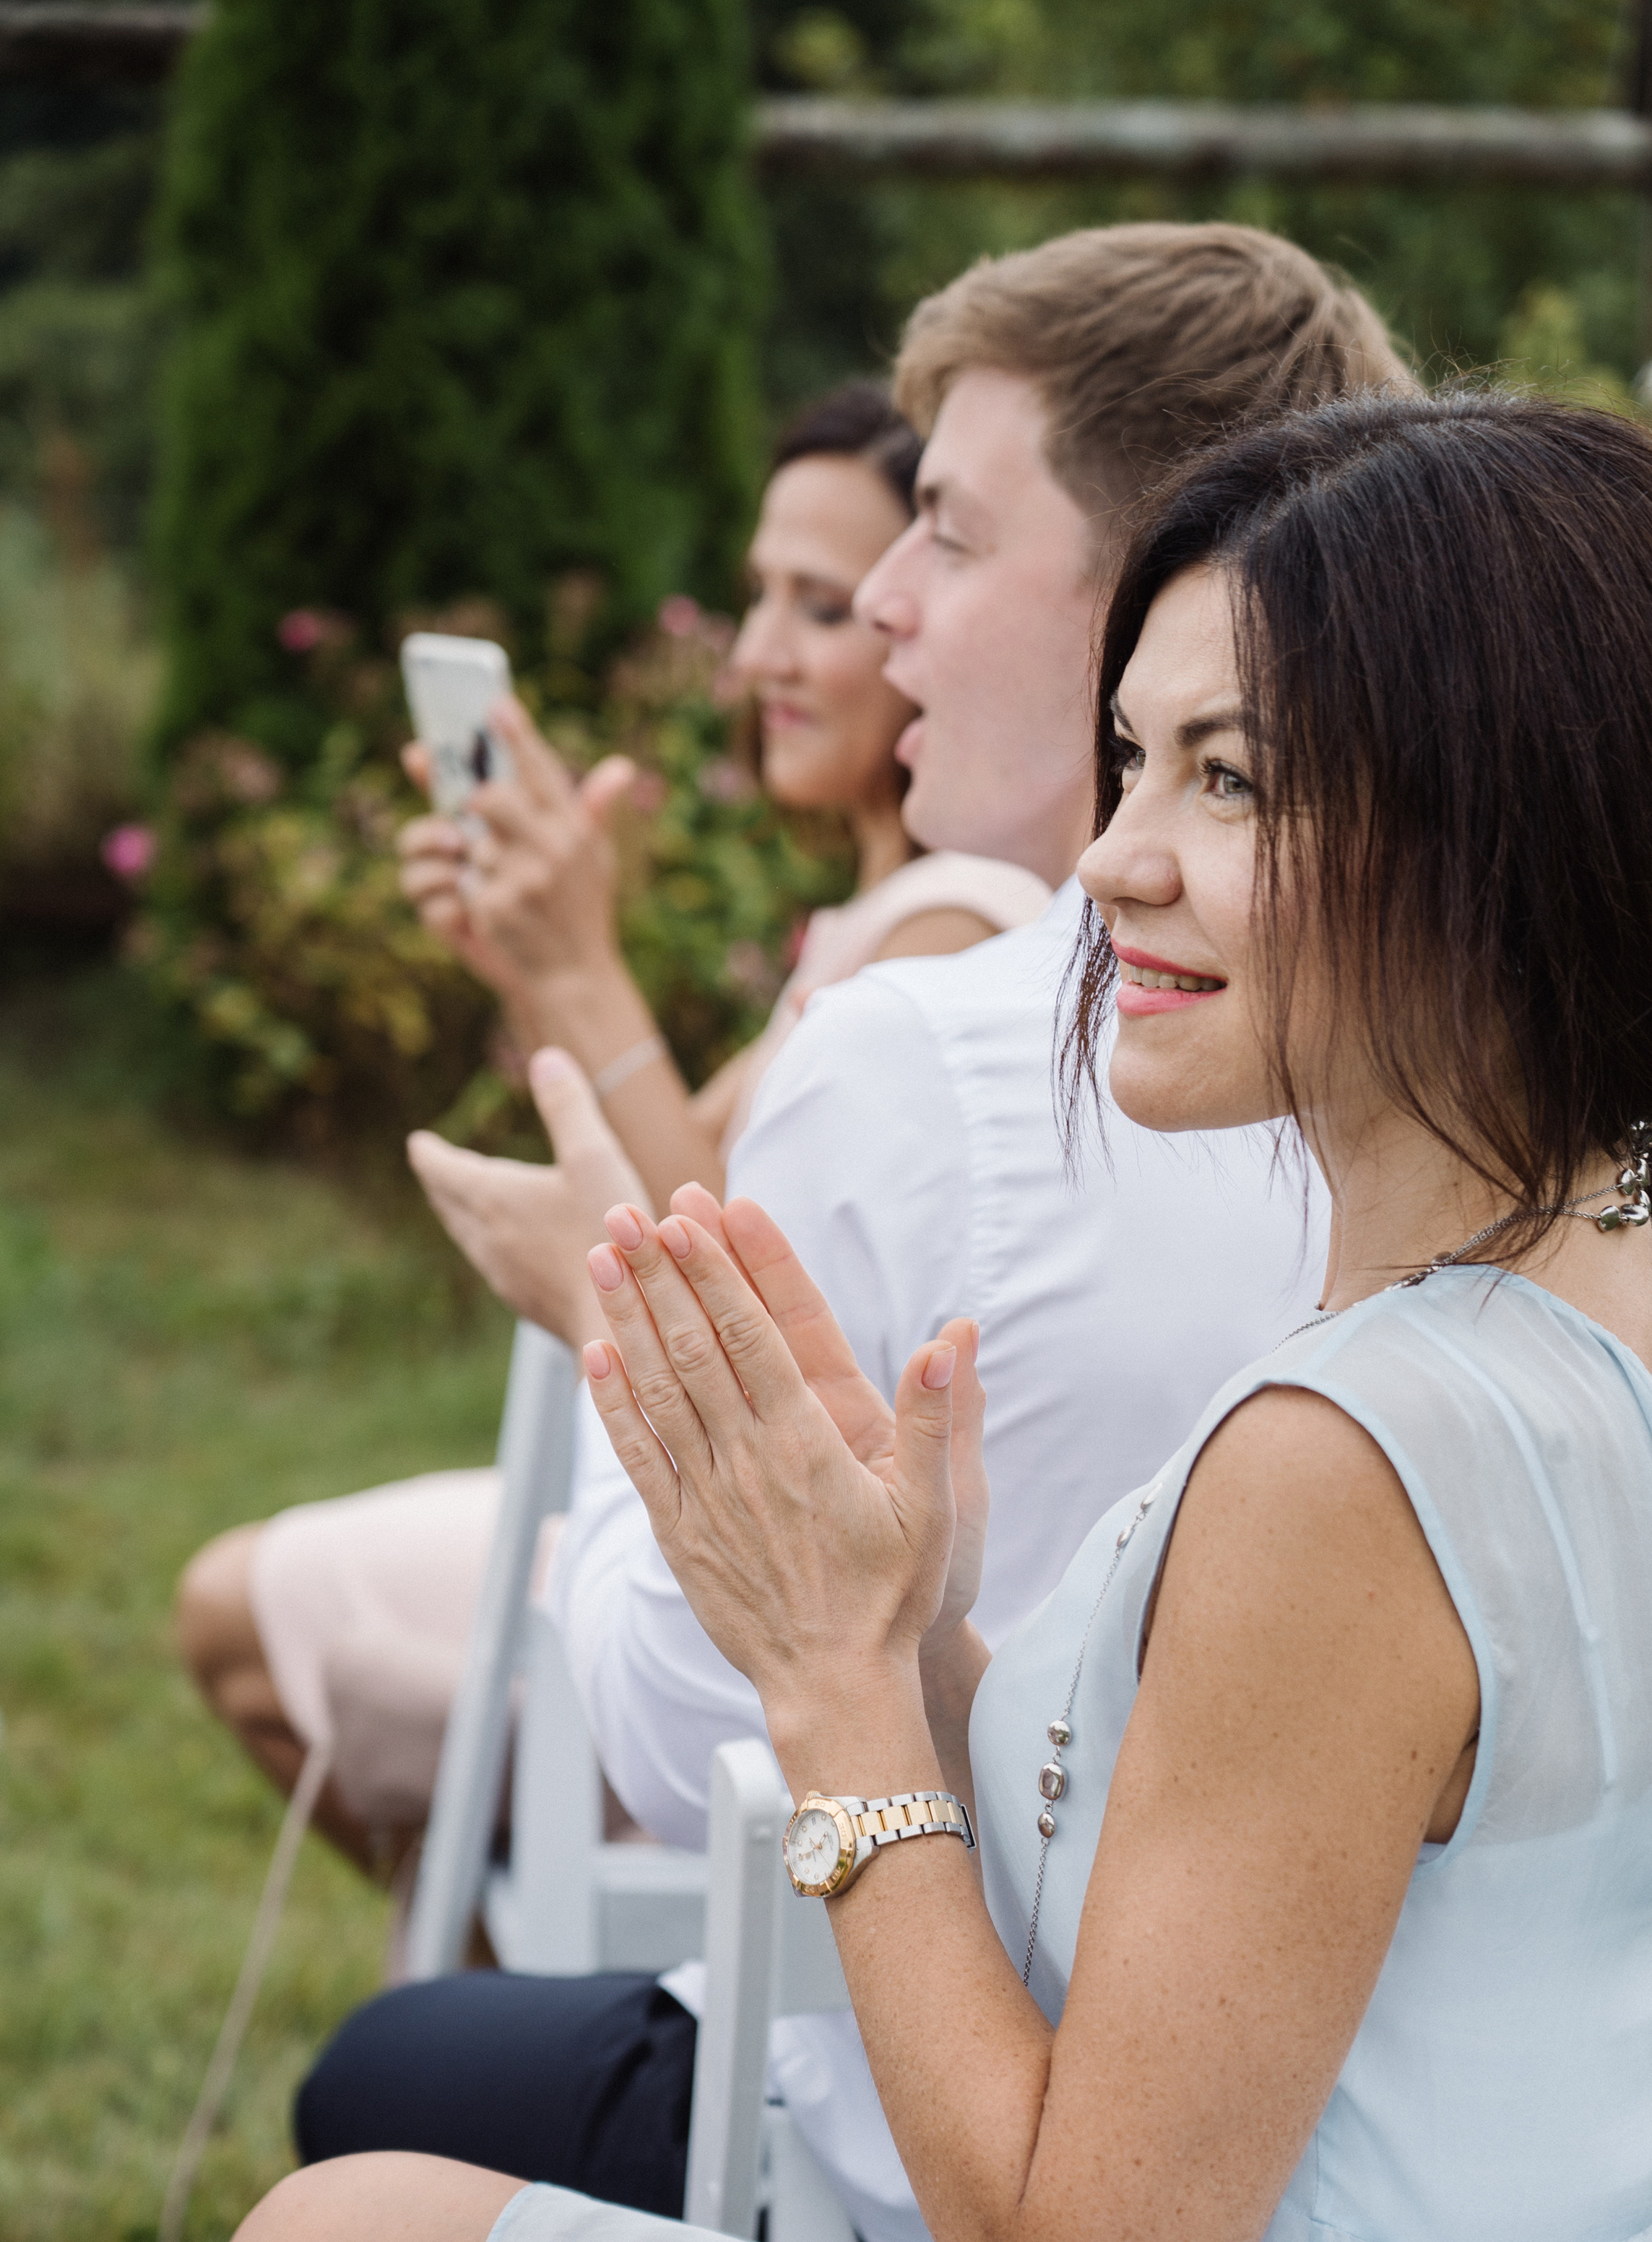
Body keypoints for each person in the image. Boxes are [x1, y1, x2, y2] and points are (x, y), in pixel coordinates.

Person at [96, 387, 1652, 2242]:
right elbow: (1325, 1926)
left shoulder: (1347, 1455)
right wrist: (916, 1632)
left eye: (1229, 782)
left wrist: (830, 1695)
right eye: (1129, 765)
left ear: (1514, 822)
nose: (1114, 863)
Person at [295, 224, 1406, 2242]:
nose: (884, 607)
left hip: (956, 2161)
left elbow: (675, 1737)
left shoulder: (944, 1045)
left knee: (367, 2112)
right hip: (1370, 2190)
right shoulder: (1465, 1091)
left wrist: (648, 1389)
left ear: (1176, 592)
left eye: (946, 541)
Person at [171, 384, 1044, 1905]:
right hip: (685, 1550)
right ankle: (511, 1983)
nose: (761, 652)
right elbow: (671, 1161)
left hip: (765, 1604)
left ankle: (525, 1980)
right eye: (759, 594)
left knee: (238, 1613)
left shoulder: (952, 927)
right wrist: (539, 962)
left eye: (821, 605)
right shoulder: (875, 912)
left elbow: (697, 1250)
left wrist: (578, 963)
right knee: (246, 1614)